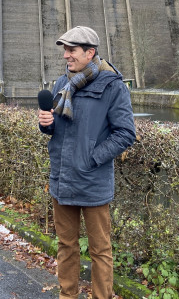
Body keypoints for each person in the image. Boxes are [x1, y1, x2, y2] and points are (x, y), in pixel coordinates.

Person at [38, 26, 136, 299]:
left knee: (100, 251)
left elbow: (126, 133)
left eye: (71, 50)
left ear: (89, 52)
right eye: (65, 50)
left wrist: (91, 159)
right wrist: (45, 124)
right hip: (62, 180)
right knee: (66, 245)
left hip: (92, 181)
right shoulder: (61, 83)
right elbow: (58, 129)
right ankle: (67, 296)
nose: (66, 56)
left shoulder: (112, 86)